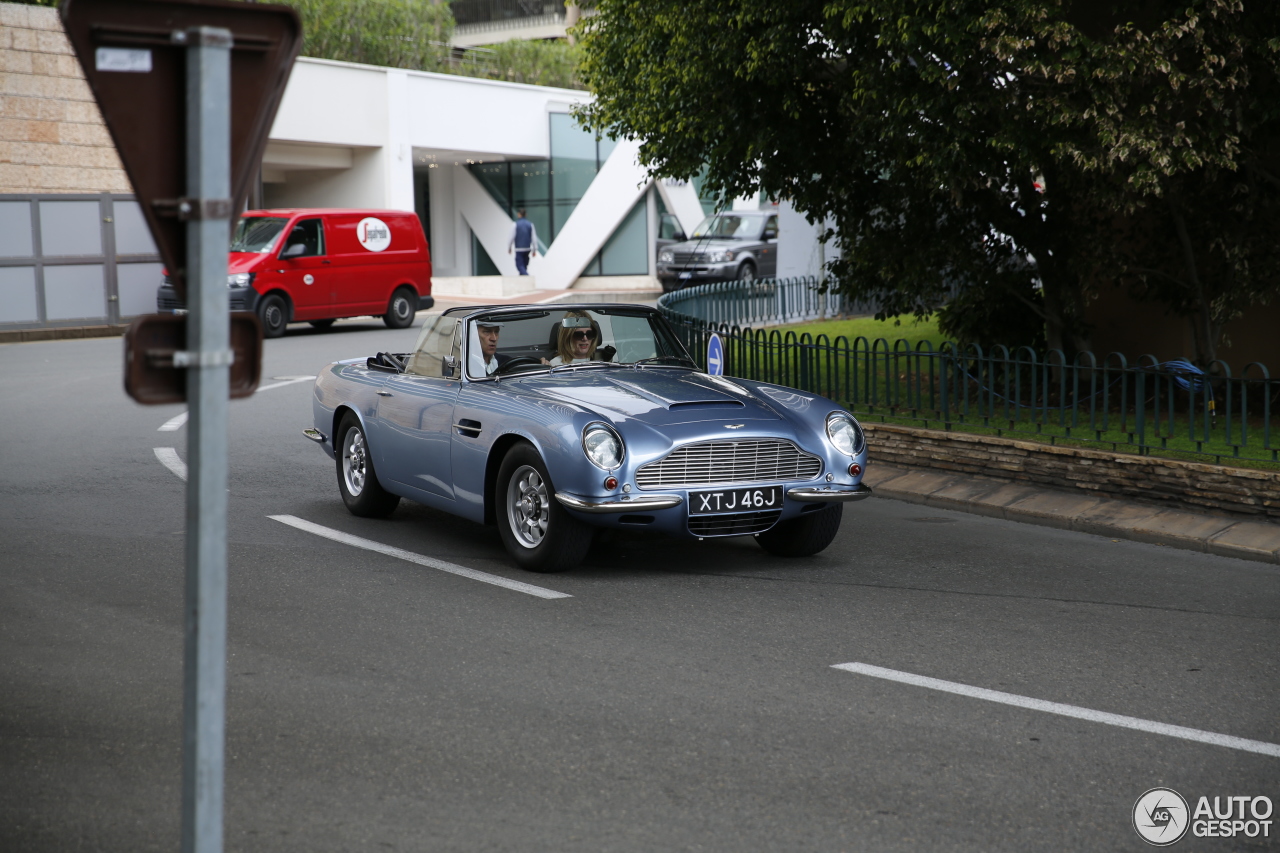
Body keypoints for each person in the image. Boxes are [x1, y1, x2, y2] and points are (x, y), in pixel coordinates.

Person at [507, 209, 538, 276]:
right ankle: (523, 280)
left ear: (519, 214)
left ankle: (527, 277)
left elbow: (511, 238)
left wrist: (509, 248)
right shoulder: (530, 225)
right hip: (527, 248)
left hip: (519, 249)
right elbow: (534, 238)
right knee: (524, 266)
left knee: (520, 265)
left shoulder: (515, 224)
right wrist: (534, 250)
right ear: (525, 215)